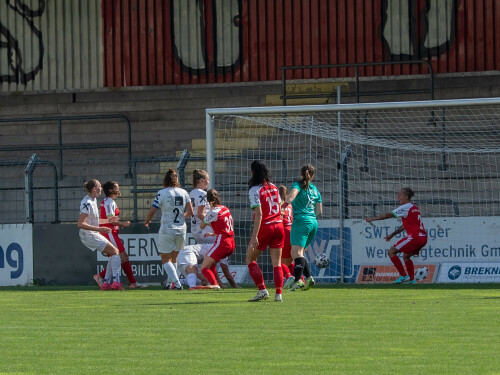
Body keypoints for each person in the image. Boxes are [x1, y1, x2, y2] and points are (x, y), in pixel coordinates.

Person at [364, 188, 428, 284]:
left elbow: (388, 215)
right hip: (423, 238)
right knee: (406, 256)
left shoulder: (405, 207)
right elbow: (404, 226)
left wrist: (372, 219)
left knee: (391, 252)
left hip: (415, 237)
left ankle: (403, 276)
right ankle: (411, 280)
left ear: (406, 197)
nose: (398, 198)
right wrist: (392, 234)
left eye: (400, 195)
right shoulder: (414, 207)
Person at [144, 168, 194, 290]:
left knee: (165, 259)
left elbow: (152, 210)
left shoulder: (162, 193)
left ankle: (177, 284)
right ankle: (169, 284)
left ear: (165, 180)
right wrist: (182, 216)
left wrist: (147, 220)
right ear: (177, 180)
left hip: (167, 228)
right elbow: (191, 212)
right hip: (181, 229)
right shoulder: (184, 193)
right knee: (174, 258)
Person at [189, 169, 238, 288]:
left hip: (197, 230)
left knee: (210, 256)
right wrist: (214, 225)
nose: (208, 182)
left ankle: (218, 283)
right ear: (201, 180)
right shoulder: (202, 194)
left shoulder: (191, 193)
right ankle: (221, 283)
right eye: (207, 180)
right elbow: (201, 214)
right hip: (205, 231)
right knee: (216, 257)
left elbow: (194, 213)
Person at [93, 181, 147, 289]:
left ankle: (129, 282)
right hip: (109, 232)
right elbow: (111, 220)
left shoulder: (109, 201)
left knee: (121, 256)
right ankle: (111, 279)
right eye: (116, 188)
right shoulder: (109, 202)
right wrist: (123, 223)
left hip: (111, 232)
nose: (118, 190)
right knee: (119, 256)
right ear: (110, 190)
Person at [246, 160, 285, 302]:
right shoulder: (274, 187)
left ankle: (262, 290)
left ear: (253, 172)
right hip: (279, 226)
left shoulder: (254, 190)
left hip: (266, 226)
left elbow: (260, 214)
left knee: (250, 259)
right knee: (277, 262)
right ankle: (278, 294)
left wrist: (255, 235)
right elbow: (281, 208)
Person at [77, 179, 123, 290]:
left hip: (92, 233)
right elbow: (80, 223)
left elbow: (93, 221)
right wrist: (99, 229)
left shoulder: (93, 200)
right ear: (94, 189)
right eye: (99, 186)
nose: (101, 188)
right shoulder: (87, 203)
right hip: (88, 235)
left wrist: (106, 222)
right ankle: (115, 282)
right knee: (115, 252)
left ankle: (106, 283)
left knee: (114, 253)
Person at [283, 164, 322, 292]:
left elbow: (293, 195)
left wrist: (284, 204)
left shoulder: (297, 185)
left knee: (295, 253)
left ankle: (298, 280)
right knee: (300, 253)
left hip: (301, 222)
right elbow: (319, 211)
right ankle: (309, 278)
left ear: (301, 173)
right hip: (313, 223)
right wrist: (310, 218)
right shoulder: (315, 190)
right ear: (313, 176)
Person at [199, 189, 236, 289]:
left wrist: (207, 217)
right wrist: (213, 233)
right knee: (208, 258)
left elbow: (202, 226)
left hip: (222, 243)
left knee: (204, 267)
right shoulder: (225, 208)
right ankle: (221, 284)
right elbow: (224, 227)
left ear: (208, 201)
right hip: (231, 242)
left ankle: (215, 285)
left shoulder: (213, 212)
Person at [279, 185, 295, 289]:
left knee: (278, 260)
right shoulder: (289, 205)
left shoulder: (279, 205)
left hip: (283, 231)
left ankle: (288, 277)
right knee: (290, 261)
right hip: (292, 231)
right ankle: (301, 279)